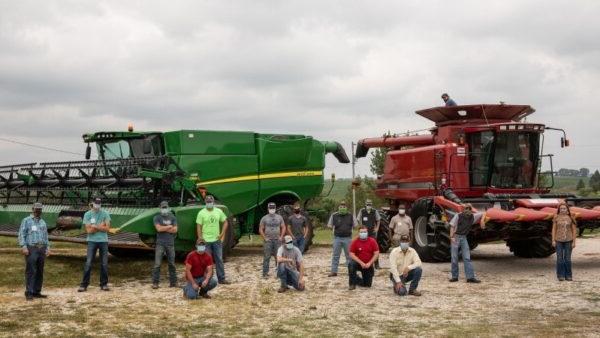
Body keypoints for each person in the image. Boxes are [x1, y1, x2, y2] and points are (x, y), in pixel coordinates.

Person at [18, 202, 51, 300]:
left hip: (42, 248)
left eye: (40, 209)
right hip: (31, 248)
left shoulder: (43, 222)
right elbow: (21, 234)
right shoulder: (26, 220)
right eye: (36, 209)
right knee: (31, 270)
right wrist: (23, 246)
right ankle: (29, 292)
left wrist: (48, 248)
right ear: (32, 209)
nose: (38, 211)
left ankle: (37, 291)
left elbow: (46, 236)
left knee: (40, 271)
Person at [196, 195, 231, 284]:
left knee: (219, 259)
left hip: (216, 240)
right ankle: (208, 279)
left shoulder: (218, 211)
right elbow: (199, 226)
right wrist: (200, 238)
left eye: (210, 202)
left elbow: (225, 222)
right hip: (206, 241)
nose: (209, 203)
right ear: (205, 202)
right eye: (207, 202)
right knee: (207, 260)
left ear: (213, 202)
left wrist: (222, 233)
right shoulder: (201, 213)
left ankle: (221, 278)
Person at [78, 198, 111, 292]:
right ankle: (84, 285)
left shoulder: (106, 213)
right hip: (92, 241)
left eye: (99, 203)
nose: (98, 205)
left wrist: (95, 226)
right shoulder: (87, 214)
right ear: (92, 203)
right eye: (96, 203)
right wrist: (101, 225)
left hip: (103, 241)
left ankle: (104, 284)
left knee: (104, 263)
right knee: (88, 263)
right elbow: (88, 231)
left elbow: (108, 228)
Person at [449, 204, 484, 283]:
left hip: (464, 238)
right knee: (454, 258)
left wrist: (482, 220)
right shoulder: (458, 216)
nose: (467, 210)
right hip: (456, 237)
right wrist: (451, 237)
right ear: (463, 209)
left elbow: (484, 213)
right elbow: (452, 226)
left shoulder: (473, 216)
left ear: (471, 209)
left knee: (467, 258)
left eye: (469, 208)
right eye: (466, 208)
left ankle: (470, 277)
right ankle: (454, 277)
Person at [152, 201, 178, 289]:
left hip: (170, 243)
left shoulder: (173, 217)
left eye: (165, 207)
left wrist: (164, 228)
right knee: (157, 264)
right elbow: (158, 229)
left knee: (172, 264)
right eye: (163, 207)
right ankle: (155, 283)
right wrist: (169, 226)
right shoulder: (156, 217)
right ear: (160, 208)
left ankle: (173, 282)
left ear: (168, 207)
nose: (164, 209)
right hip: (160, 243)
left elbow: (175, 230)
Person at [327, 201, 357, 277]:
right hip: (337, 238)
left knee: (349, 256)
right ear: (338, 207)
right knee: (335, 255)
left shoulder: (350, 215)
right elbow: (329, 225)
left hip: (348, 238)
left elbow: (355, 225)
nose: (342, 208)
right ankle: (334, 272)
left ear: (346, 207)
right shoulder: (334, 215)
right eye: (341, 207)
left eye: (344, 206)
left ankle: (351, 271)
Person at [551, 202, 577, 281]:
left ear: (567, 209)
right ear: (559, 210)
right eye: (561, 209)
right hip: (558, 240)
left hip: (568, 240)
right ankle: (560, 276)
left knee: (567, 259)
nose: (563, 210)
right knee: (559, 258)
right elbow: (554, 229)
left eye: (564, 208)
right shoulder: (556, 217)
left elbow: (574, 230)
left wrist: (574, 242)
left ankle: (569, 275)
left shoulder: (571, 217)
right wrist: (553, 240)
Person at [260, 202, 286, 278]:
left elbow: (283, 227)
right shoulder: (264, 218)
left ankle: (279, 273)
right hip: (268, 241)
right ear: (268, 209)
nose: (272, 209)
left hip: (277, 240)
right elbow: (261, 229)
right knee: (266, 257)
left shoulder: (279, 217)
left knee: (278, 257)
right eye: (270, 208)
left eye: (273, 208)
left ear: (275, 208)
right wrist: (265, 238)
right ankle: (265, 274)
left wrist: (281, 237)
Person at [357, 199, 381, 268]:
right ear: (365, 204)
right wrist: (361, 227)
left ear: (372, 204)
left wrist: (377, 228)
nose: (369, 205)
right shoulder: (362, 211)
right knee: (363, 247)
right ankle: (363, 262)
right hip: (364, 232)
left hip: (372, 232)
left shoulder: (374, 211)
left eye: (370, 204)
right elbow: (358, 219)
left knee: (375, 248)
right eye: (367, 204)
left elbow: (378, 219)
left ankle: (376, 264)